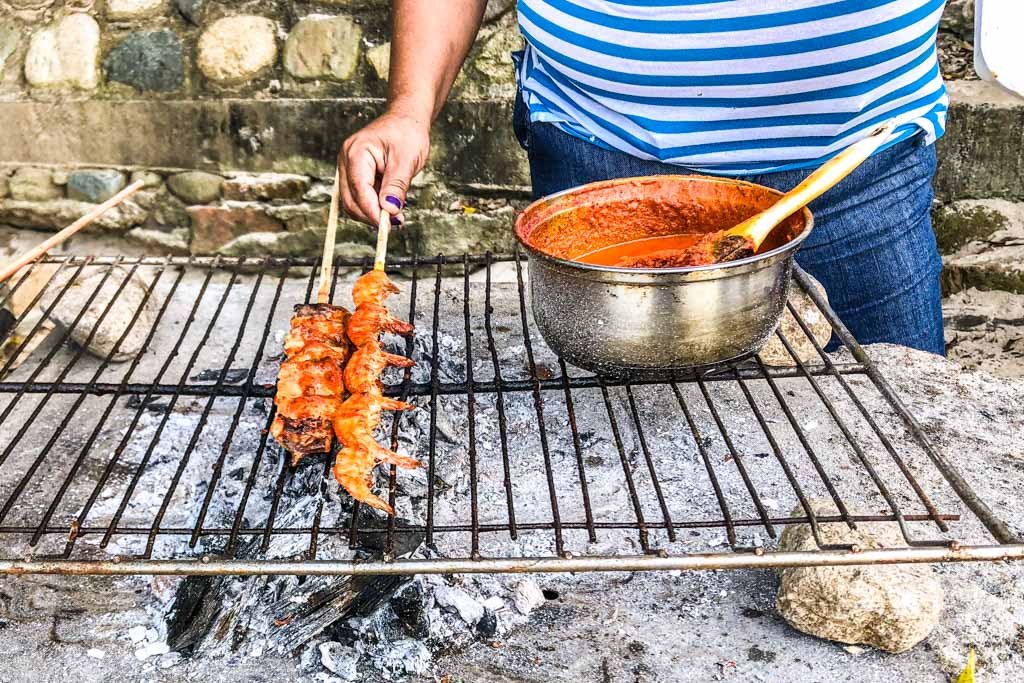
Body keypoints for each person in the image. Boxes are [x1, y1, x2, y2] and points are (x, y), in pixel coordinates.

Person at [338, 0, 951, 355]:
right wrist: (409, 111)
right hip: (603, 156)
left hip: (859, 162)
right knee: (618, 445)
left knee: (895, 439)